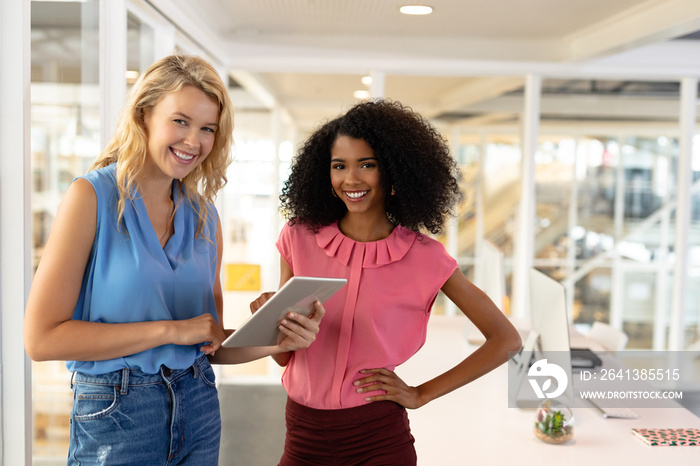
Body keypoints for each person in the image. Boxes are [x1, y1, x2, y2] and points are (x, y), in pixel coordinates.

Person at [23, 54, 325, 466]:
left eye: (207, 129)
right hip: (117, 410)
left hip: (198, 400)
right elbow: (41, 339)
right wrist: (170, 329)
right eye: (180, 121)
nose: (193, 141)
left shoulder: (205, 217)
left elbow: (207, 343)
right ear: (144, 115)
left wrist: (277, 338)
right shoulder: (91, 197)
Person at [252, 99, 522, 465]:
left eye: (367, 164)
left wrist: (421, 394)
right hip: (303, 435)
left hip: (376, 439)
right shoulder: (298, 237)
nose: (351, 179)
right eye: (339, 166)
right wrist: (270, 323)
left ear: (394, 171)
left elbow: (505, 339)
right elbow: (286, 357)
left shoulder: (426, 257)